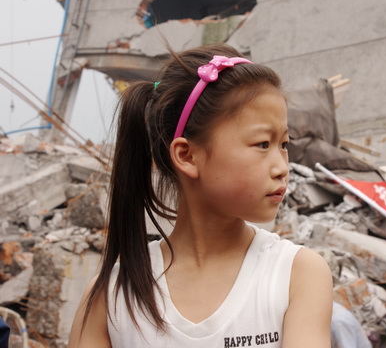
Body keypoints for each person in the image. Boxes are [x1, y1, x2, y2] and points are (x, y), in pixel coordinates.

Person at [67, 44, 333, 347]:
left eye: (284, 145)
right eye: (262, 144)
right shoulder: (112, 298)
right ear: (187, 156)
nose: (282, 168)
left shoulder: (296, 274)